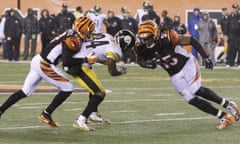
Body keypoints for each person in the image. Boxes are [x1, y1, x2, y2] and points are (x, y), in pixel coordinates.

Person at [134, 20, 240, 130]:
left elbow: (191, 40)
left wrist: (205, 57)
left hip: (186, 64)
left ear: (155, 34)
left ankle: (228, 105)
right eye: (143, 39)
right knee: (190, 99)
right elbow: (140, 60)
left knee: (195, 89)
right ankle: (223, 117)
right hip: (173, 73)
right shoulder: (140, 46)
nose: (145, 41)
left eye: (148, 38)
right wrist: (147, 65)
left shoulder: (167, 37)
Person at [0, 17, 95, 128]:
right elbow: (67, 62)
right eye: (89, 31)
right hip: (45, 64)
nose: (89, 34)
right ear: (83, 30)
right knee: (68, 87)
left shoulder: (71, 33)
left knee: (24, 92)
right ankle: (46, 113)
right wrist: (85, 60)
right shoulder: (73, 40)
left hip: (38, 60)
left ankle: (1, 110)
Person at [225, 3, 240, 68]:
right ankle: (230, 63)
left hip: (239, 36)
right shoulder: (229, 17)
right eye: (234, 8)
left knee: (239, 49)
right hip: (231, 35)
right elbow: (227, 26)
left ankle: (239, 63)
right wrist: (225, 34)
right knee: (231, 49)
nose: (235, 9)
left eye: (236, 8)